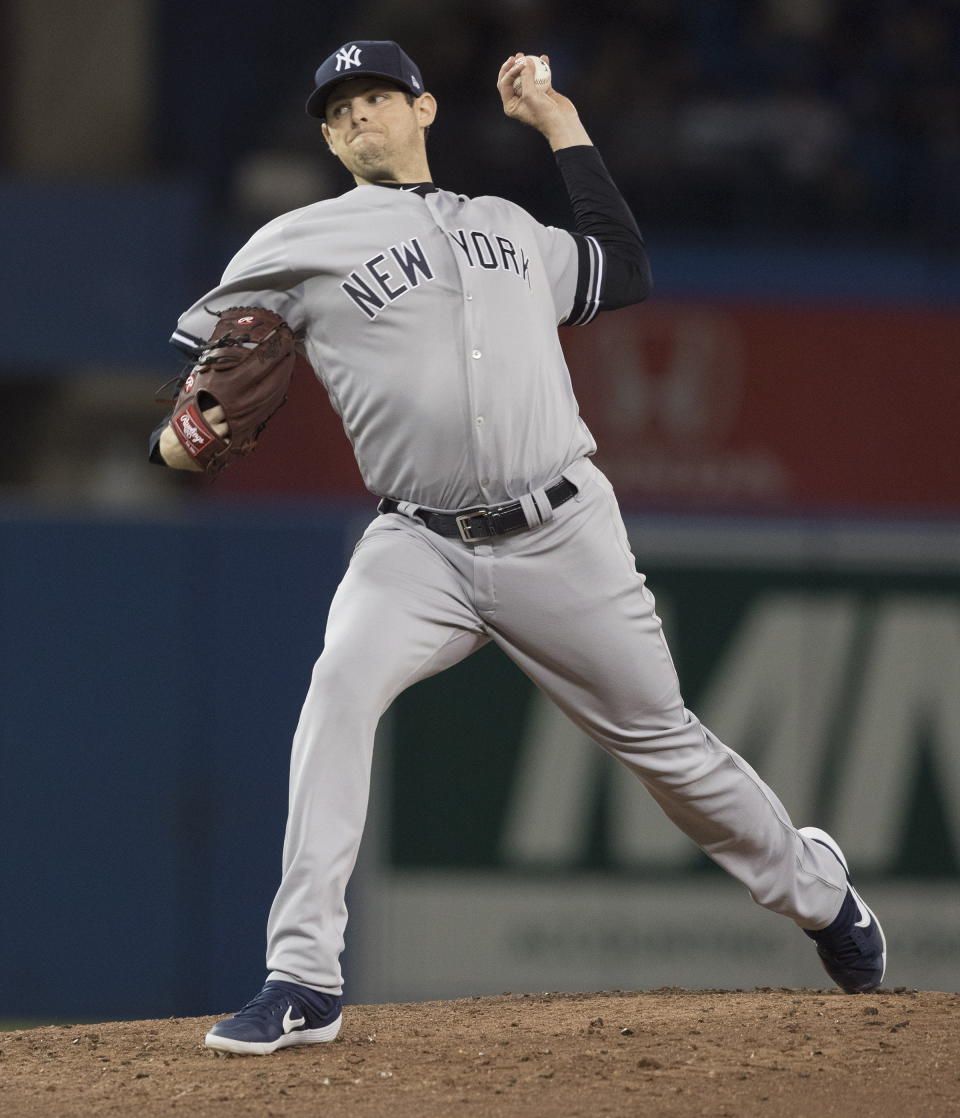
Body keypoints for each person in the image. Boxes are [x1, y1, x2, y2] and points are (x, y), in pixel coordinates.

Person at [152, 40, 886, 1056]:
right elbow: (200, 387)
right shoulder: (296, 242)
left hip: (563, 533)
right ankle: (302, 975)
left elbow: (624, 270)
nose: (360, 114)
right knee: (339, 687)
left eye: (378, 95)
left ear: (423, 108)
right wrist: (176, 440)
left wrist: (558, 124)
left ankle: (820, 892)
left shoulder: (509, 229)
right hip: (417, 546)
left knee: (666, 745)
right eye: (340, 108)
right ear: (327, 136)